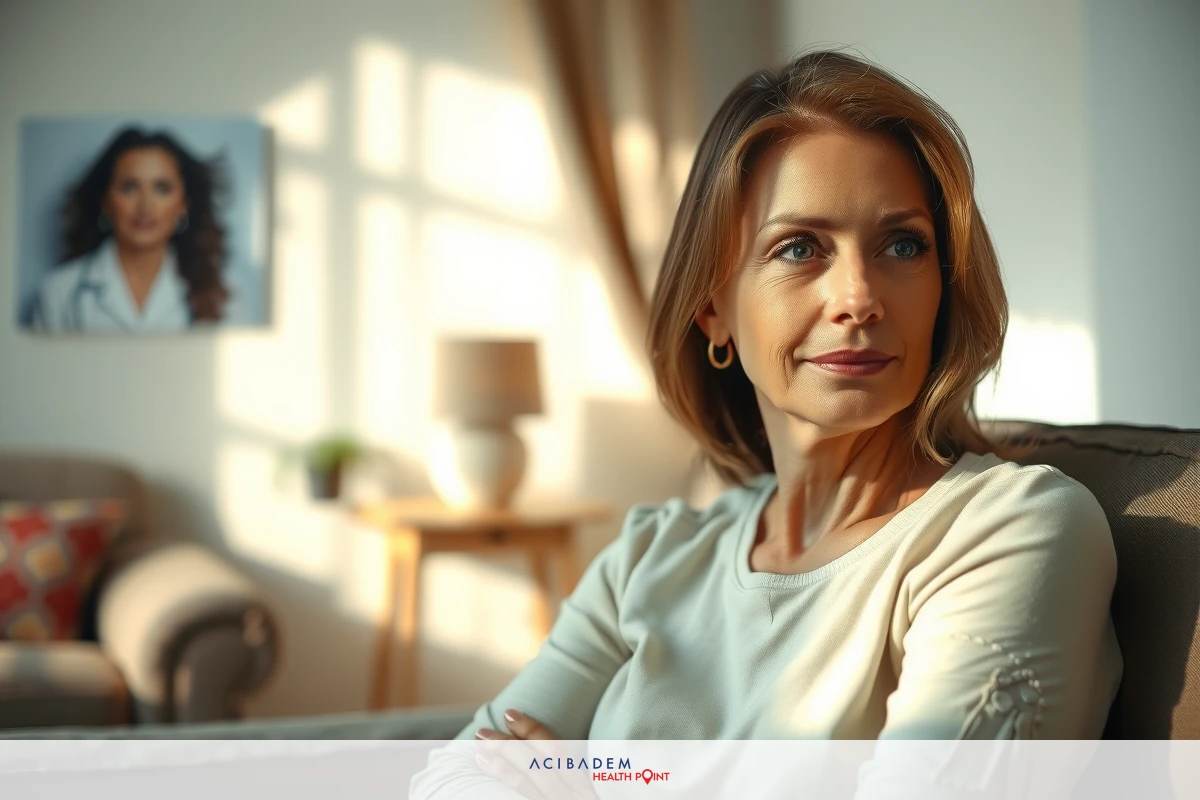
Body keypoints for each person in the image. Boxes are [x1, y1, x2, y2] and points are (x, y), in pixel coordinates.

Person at [412, 48, 1123, 796]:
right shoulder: (647, 560)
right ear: (712, 308)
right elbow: (456, 778)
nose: (859, 297)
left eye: (903, 245)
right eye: (800, 248)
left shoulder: (1009, 532)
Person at [30, 126, 233, 333]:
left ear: (184, 205)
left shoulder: (221, 297)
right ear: (106, 201)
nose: (145, 206)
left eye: (162, 188)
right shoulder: (58, 295)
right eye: (129, 187)